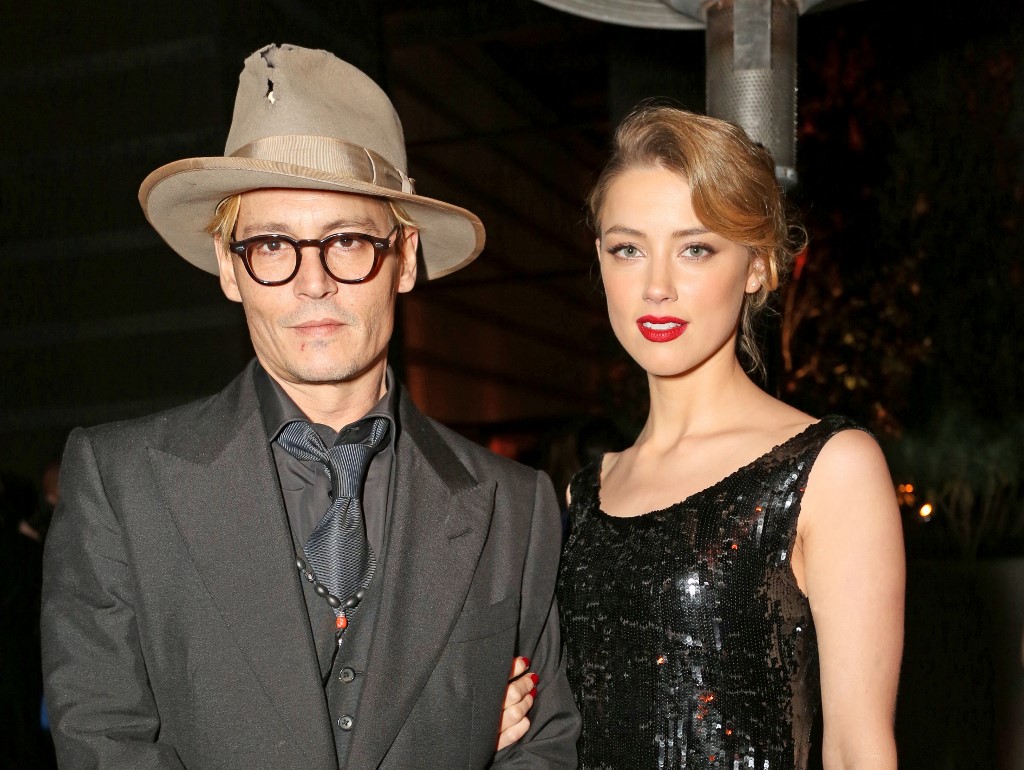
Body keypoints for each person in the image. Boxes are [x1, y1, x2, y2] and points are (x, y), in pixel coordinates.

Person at [41, 43, 578, 768]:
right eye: (271, 245)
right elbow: (102, 744)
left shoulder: (516, 508)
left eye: (347, 240)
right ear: (229, 267)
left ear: (404, 257)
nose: (313, 281)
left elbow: (547, 748)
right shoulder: (121, 483)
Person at [556, 106, 904, 769]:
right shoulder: (587, 493)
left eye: (696, 249)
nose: (656, 287)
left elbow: (858, 750)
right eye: (628, 249)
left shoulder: (830, 469)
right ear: (600, 260)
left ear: (758, 267)